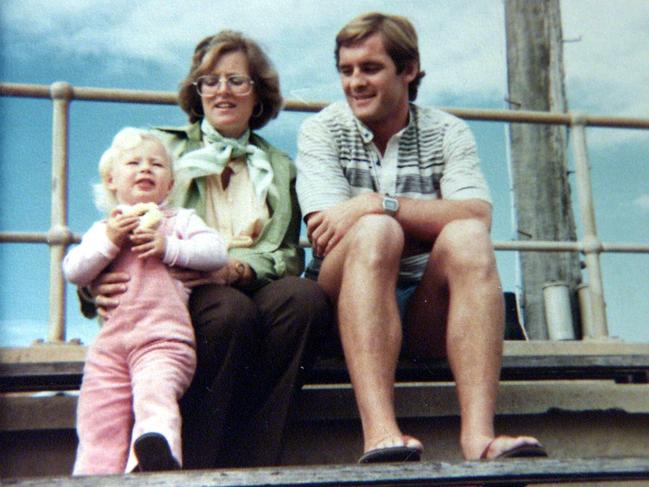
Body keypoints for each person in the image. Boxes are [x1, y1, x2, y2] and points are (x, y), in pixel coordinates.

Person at [296, 12, 548, 463]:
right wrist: (409, 223)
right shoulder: (323, 130)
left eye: (370, 68)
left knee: (466, 237)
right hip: (342, 308)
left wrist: (379, 202)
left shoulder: (447, 131)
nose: (355, 82)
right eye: (346, 70)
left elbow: (476, 214)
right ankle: (379, 432)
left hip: (422, 311)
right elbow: (326, 234)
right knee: (376, 233)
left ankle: (479, 438)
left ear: (408, 70)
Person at [82, 30, 331, 469]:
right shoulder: (162, 147)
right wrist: (92, 288)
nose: (223, 91)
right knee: (228, 312)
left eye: (237, 81)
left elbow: (287, 255)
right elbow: (112, 222)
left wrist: (237, 269)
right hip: (178, 288)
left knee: (303, 299)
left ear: (259, 95)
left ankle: (258, 465)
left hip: (247, 277)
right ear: (197, 92)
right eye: (210, 81)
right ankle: (195, 464)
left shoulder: (279, 166)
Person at [64, 128, 229, 474]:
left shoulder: (177, 221)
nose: (145, 169)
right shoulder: (104, 228)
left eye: (157, 164)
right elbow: (74, 270)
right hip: (111, 346)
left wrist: (169, 247)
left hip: (163, 340)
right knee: (98, 413)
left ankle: (152, 462)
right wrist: (110, 240)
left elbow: (216, 253)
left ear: (169, 185)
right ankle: (93, 475)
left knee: (155, 396)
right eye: (133, 163)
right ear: (111, 180)